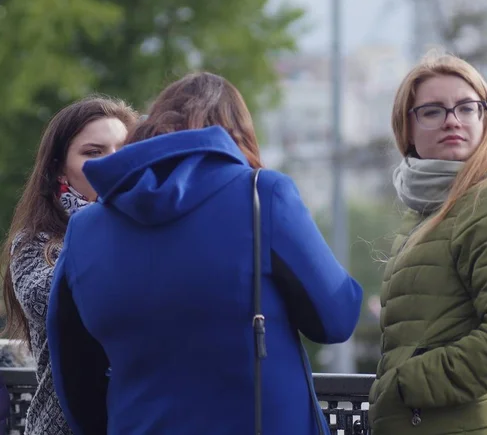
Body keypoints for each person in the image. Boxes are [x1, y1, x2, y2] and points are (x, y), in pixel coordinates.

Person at [46, 72, 363, 435]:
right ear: (238, 135)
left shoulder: (84, 228)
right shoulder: (263, 195)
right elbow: (336, 319)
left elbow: (73, 372)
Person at [368, 52, 487, 434]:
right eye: (432, 111)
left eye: (466, 107)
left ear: (486, 118)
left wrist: (406, 384)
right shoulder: (428, 211)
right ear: (408, 129)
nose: (452, 119)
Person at [1, 96, 138, 435]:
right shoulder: (36, 241)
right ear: (60, 167)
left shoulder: (153, 230)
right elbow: (49, 297)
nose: (113, 162)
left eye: (123, 149)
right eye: (94, 152)